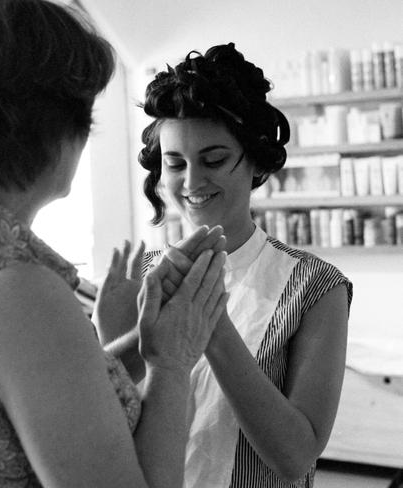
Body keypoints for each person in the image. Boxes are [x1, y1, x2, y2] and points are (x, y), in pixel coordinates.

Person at [0, 1, 228, 487]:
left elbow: (39, 390)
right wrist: (173, 361)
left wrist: (150, 339)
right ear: (57, 126)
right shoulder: (18, 292)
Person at [98, 43, 353, 487]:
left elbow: (295, 459)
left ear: (254, 160)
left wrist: (210, 322)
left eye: (214, 160)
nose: (192, 182)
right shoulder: (141, 276)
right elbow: (103, 435)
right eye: (174, 163)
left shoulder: (315, 287)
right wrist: (119, 339)